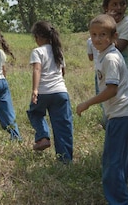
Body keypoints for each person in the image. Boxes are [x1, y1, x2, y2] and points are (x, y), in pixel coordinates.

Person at [76, 14, 128, 203]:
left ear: (114, 36)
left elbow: (112, 90)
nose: (97, 39)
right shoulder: (105, 54)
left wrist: (87, 103)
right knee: (123, 152)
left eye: (103, 34)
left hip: (121, 116)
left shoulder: (110, 59)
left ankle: (119, 201)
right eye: (94, 34)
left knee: (112, 164)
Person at [26, 21, 74, 163]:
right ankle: (65, 160)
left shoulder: (37, 51)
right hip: (60, 92)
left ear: (39, 37)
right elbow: (62, 72)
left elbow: (37, 69)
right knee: (63, 126)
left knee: (35, 113)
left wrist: (35, 90)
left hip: (43, 92)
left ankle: (43, 136)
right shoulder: (58, 51)